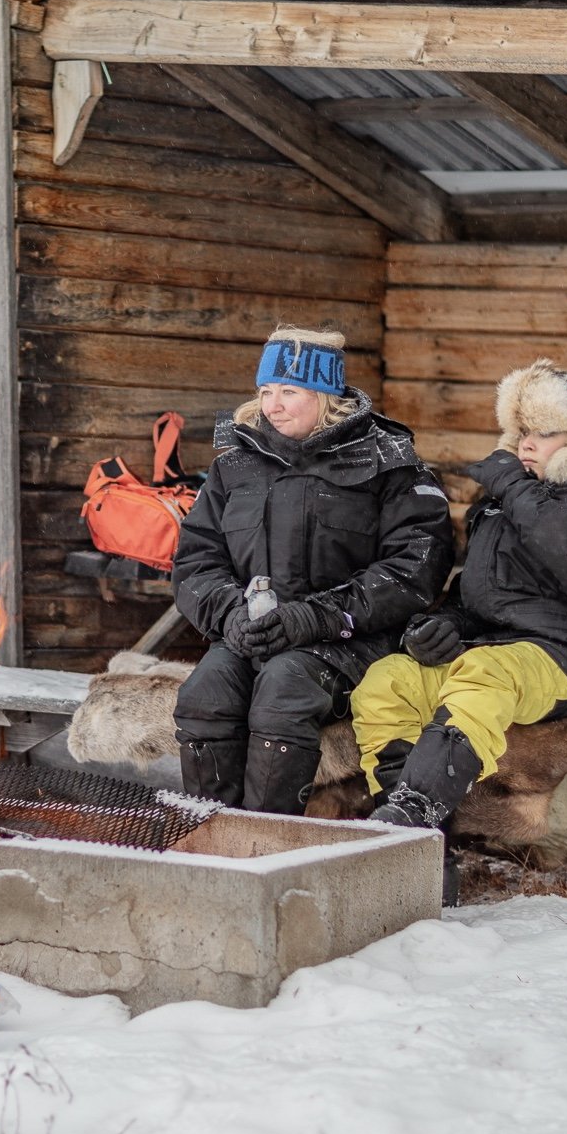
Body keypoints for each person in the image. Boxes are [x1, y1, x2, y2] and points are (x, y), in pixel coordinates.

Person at [351, 359, 567, 899]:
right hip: (502, 654)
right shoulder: (502, 506)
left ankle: (408, 817)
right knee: (389, 678)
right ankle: (425, 843)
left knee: (483, 671)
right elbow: (475, 595)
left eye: (544, 433)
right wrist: (442, 627)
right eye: (522, 431)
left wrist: (515, 491)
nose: (526, 445)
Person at [171, 326, 455, 815]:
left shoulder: (388, 463)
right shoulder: (235, 465)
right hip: (254, 633)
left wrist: (315, 618)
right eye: (265, 391)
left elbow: (414, 569)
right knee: (205, 694)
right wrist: (231, 616)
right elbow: (196, 560)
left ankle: (270, 842)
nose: (272, 406)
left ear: (326, 397)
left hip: (350, 642)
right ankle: (209, 836)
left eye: (289, 391)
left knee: (284, 690)